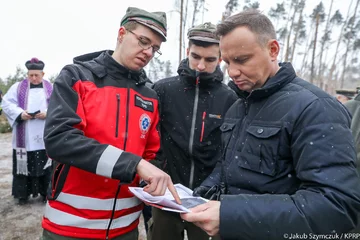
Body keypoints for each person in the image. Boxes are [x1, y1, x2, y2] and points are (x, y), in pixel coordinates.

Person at [181, 10, 360, 239]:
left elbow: (337, 205)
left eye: (242, 59)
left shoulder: (316, 108)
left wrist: (230, 215)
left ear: (273, 50)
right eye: (226, 62)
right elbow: (229, 169)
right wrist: (197, 196)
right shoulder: (239, 106)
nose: (232, 72)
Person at [41, 7, 180, 240]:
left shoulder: (149, 95)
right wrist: (134, 164)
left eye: (155, 48)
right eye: (143, 41)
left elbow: (152, 153)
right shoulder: (77, 77)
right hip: (70, 227)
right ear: (122, 33)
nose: (148, 52)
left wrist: (150, 177)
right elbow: (60, 140)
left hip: (125, 229)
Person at [148, 22, 238, 240]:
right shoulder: (163, 89)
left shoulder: (230, 99)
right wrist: (155, 172)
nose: (200, 65)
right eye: (196, 56)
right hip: (166, 195)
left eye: (209, 60)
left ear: (220, 59)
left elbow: (230, 150)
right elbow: (150, 138)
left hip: (208, 199)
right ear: (187, 52)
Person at [1, 58, 53, 205]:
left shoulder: (51, 88)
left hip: (43, 134)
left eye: (37, 75)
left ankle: (45, 193)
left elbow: (58, 105)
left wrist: (47, 113)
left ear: (43, 73)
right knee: (24, 165)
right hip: (25, 136)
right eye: (31, 75)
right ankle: (22, 195)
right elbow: (6, 104)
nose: (34, 78)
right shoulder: (17, 88)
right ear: (27, 74)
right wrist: (20, 114)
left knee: (45, 165)